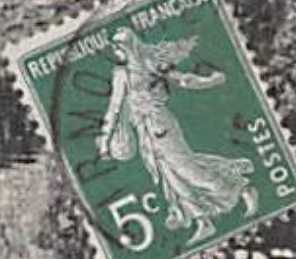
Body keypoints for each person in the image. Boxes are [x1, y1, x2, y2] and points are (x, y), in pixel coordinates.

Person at [99, 28, 257, 244]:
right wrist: (107, 139)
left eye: (118, 46)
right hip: (144, 130)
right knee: (169, 175)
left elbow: (182, 80)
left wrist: (210, 81)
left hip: (160, 125)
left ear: (129, 46)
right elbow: (116, 108)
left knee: (187, 170)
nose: (115, 50)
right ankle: (202, 221)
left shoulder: (149, 65)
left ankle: (240, 187)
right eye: (114, 47)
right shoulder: (121, 73)